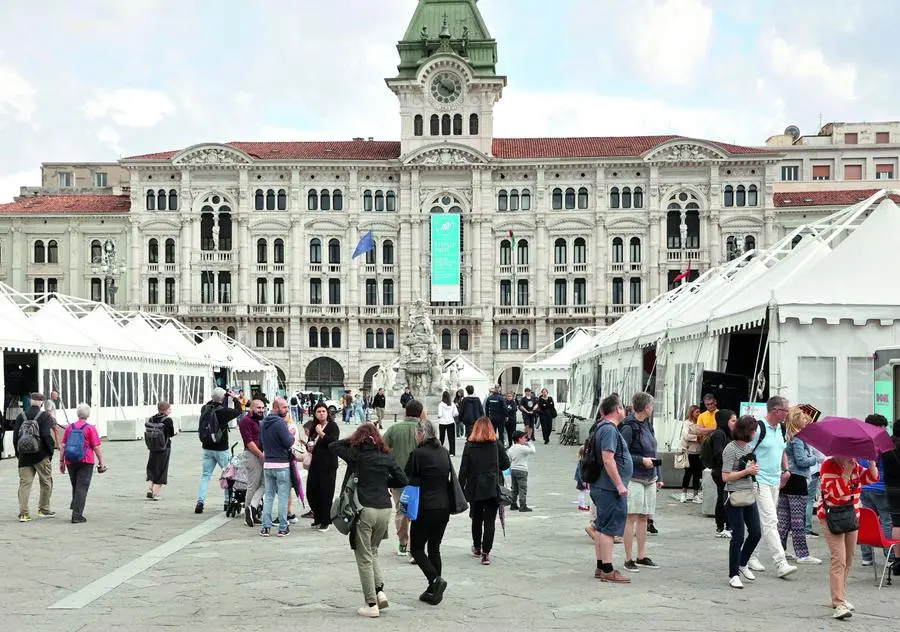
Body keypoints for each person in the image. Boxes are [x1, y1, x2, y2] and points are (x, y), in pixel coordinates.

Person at [331, 424, 408, 618]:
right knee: (372, 551)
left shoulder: (356, 455)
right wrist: (382, 481)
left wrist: (354, 438)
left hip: (364, 509)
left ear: (359, 438)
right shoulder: (387, 456)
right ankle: (379, 591)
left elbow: (333, 445)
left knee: (363, 556)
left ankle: (371, 603)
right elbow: (402, 479)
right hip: (384, 508)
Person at [817, 453, 879, 620]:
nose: (850, 456)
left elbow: (871, 479)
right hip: (831, 517)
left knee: (849, 559)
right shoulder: (828, 466)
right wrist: (846, 472)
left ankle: (841, 596)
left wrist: (872, 463)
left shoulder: (855, 465)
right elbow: (835, 494)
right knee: (839, 559)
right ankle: (838, 603)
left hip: (851, 516)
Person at [745, 396, 797, 578]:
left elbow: (782, 450)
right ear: (776, 411)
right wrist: (751, 469)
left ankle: (751, 555)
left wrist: (787, 470)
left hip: (776, 480)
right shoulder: (759, 428)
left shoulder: (781, 429)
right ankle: (781, 562)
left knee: (761, 520)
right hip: (759, 480)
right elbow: (746, 449)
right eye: (786, 410)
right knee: (771, 520)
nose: (787, 414)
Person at [584, 393, 632, 583]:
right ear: (618, 409)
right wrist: (620, 484)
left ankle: (600, 565)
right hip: (609, 488)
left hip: (602, 486)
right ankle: (607, 569)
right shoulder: (609, 430)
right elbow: (607, 458)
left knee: (602, 526)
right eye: (622, 407)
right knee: (608, 529)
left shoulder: (601, 428)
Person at [406, 420, 452, 605]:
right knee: (434, 548)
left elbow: (407, 475)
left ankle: (435, 580)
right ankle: (434, 589)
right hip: (444, 506)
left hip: (425, 507)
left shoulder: (418, 453)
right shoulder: (444, 452)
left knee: (416, 548)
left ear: (421, 434)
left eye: (416, 433)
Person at [459, 416, 510, 565]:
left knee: (476, 518)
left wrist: (460, 489)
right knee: (489, 521)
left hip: (475, 487)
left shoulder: (469, 446)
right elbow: (506, 464)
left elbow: (463, 470)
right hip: (492, 486)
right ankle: (486, 553)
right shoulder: (497, 444)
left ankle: (477, 547)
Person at [619, 392, 661, 571]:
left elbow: (654, 449)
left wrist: (659, 474)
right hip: (635, 476)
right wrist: (640, 460)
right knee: (632, 516)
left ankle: (641, 555)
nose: (652, 408)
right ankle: (628, 558)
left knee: (644, 516)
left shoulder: (648, 425)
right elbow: (622, 452)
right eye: (651, 405)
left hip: (650, 476)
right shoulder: (629, 427)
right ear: (646, 407)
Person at [721, 415, 763, 589]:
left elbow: (749, 469)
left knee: (756, 532)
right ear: (747, 431)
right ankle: (733, 574)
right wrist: (747, 471)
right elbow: (725, 476)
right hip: (733, 495)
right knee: (738, 535)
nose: (755, 433)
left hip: (748, 493)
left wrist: (753, 471)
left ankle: (742, 562)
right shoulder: (730, 449)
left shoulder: (748, 447)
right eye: (754, 430)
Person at [779, 407, 821, 564]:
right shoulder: (799, 438)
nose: (806, 421)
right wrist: (815, 458)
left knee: (783, 519)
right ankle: (802, 554)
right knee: (798, 519)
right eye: (803, 418)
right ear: (797, 420)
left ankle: (780, 549)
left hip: (787, 478)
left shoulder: (787, 436)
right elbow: (801, 461)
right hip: (797, 480)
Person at [383, 399, 422, 556]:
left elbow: (383, 448)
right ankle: (416, 544)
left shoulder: (394, 429)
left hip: (398, 477)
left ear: (405, 411)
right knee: (418, 510)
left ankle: (403, 543)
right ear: (420, 413)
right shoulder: (423, 429)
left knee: (401, 510)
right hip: (419, 478)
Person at [195, 387, 243, 514]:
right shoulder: (223, 412)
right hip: (221, 447)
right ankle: (227, 501)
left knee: (205, 476)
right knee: (227, 475)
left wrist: (223, 397)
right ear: (223, 399)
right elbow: (239, 410)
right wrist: (234, 397)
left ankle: (200, 502)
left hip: (207, 446)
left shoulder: (204, 408)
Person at [13, 393, 57, 521]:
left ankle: (24, 513)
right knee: (46, 482)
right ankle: (43, 509)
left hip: (24, 456)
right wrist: (50, 453)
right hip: (41, 455)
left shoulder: (21, 416)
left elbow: (16, 438)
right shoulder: (44, 416)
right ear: (42, 403)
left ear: (30, 402)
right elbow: (46, 436)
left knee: (24, 484)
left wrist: (19, 454)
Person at [858, 413, 894, 567]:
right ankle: (889, 557)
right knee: (887, 521)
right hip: (881, 487)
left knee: (866, 521)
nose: (885, 430)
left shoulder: (861, 442)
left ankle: (866, 557)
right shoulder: (883, 443)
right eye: (884, 427)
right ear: (878, 426)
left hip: (864, 487)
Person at [258, 398, 295, 537]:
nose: (287, 410)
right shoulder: (280, 423)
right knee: (283, 497)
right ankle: (283, 527)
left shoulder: (263, 422)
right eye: (284, 407)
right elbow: (288, 442)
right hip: (281, 464)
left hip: (268, 464)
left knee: (268, 496)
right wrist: (291, 436)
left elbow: (260, 442)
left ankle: (265, 527)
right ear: (275, 408)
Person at [305, 403, 340, 531]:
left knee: (326, 493)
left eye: (323, 411)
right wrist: (309, 446)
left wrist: (322, 434)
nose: (321, 413)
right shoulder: (314, 426)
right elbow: (311, 441)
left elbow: (334, 442)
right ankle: (318, 517)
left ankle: (326, 520)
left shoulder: (332, 426)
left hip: (328, 464)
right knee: (312, 492)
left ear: (327, 413)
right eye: (318, 411)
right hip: (315, 464)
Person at [238, 399, 266, 526]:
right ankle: (248, 515)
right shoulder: (245, 421)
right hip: (252, 455)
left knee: (264, 484)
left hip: (260, 454)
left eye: (263, 408)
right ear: (251, 408)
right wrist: (261, 455)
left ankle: (252, 510)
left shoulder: (259, 421)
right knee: (253, 485)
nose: (261, 410)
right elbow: (249, 442)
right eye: (258, 408)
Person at [708, 409, 736, 537]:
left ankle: (726, 525)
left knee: (725, 496)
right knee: (724, 497)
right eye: (732, 420)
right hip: (721, 470)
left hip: (727, 469)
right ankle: (723, 525)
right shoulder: (719, 434)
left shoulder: (729, 434)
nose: (735, 423)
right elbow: (717, 453)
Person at [145, 401, 176, 501]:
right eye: (169, 409)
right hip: (164, 447)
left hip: (152, 447)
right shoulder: (168, 420)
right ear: (166, 410)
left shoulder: (151, 418)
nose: (170, 411)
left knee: (152, 467)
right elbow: (171, 434)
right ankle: (156, 493)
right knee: (162, 469)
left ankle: (150, 487)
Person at [679, 405, 704, 503]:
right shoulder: (687, 423)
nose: (698, 414)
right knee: (688, 473)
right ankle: (683, 493)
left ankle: (695, 495)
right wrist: (696, 438)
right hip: (689, 451)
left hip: (699, 451)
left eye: (699, 412)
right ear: (692, 412)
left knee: (697, 474)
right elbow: (685, 435)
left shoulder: (701, 422)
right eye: (697, 412)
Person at [507, 430, 535, 511]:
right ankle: (523, 505)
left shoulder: (511, 448)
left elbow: (509, 459)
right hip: (522, 470)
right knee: (522, 488)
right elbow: (533, 451)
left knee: (514, 488)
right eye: (524, 438)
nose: (525, 439)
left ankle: (513, 504)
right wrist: (530, 443)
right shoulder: (522, 448)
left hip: (513, 469)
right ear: (519, 439)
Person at [436, 391, 458, 456]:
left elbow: (440, 414)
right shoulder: (452, 404)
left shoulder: (441, 404)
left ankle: (439, 451)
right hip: (450, 422)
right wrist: (451, 415)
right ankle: (452, 452)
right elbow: (456, 413)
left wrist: (439, 417)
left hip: (442, 422)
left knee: (441, 437)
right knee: (451, 438)